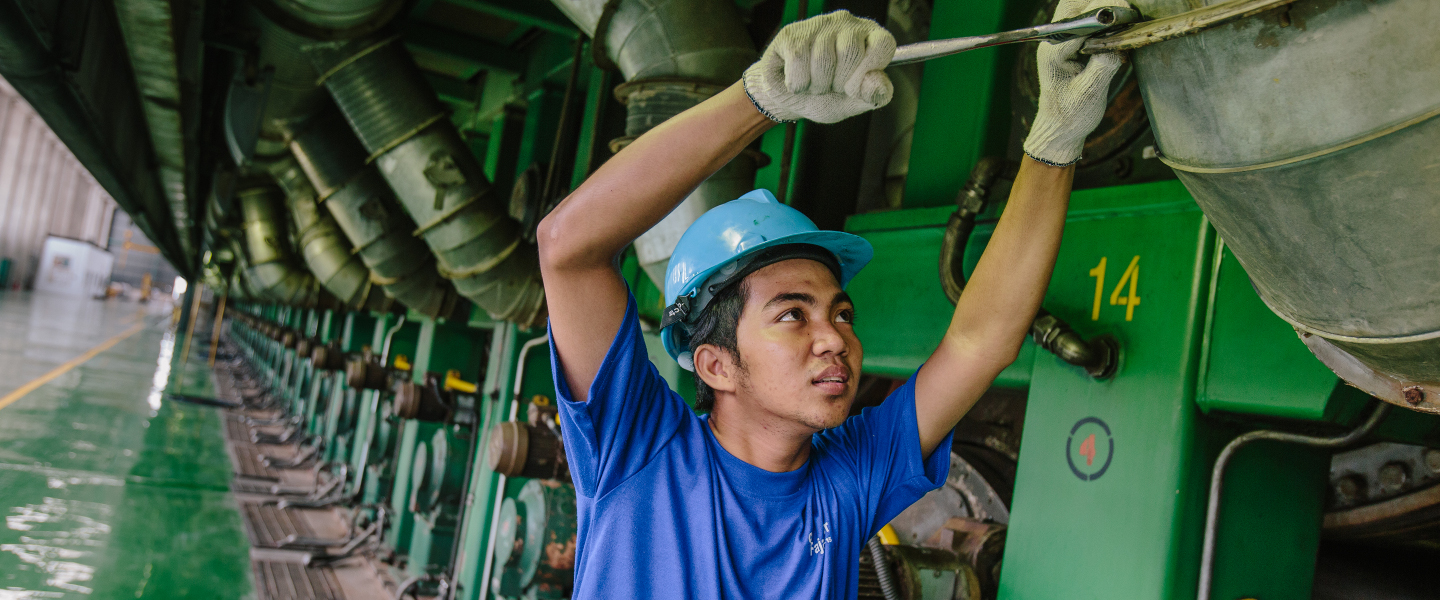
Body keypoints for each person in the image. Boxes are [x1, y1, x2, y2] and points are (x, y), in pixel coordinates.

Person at [536, 1, 1123, 597]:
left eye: (841, 313)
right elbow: (567, 249)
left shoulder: (845, 478)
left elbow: (979, 342)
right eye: (793, 314)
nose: (835, 337)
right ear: (715, 364)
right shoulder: (641, 453)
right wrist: (760, 100)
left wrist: (1055, 136)